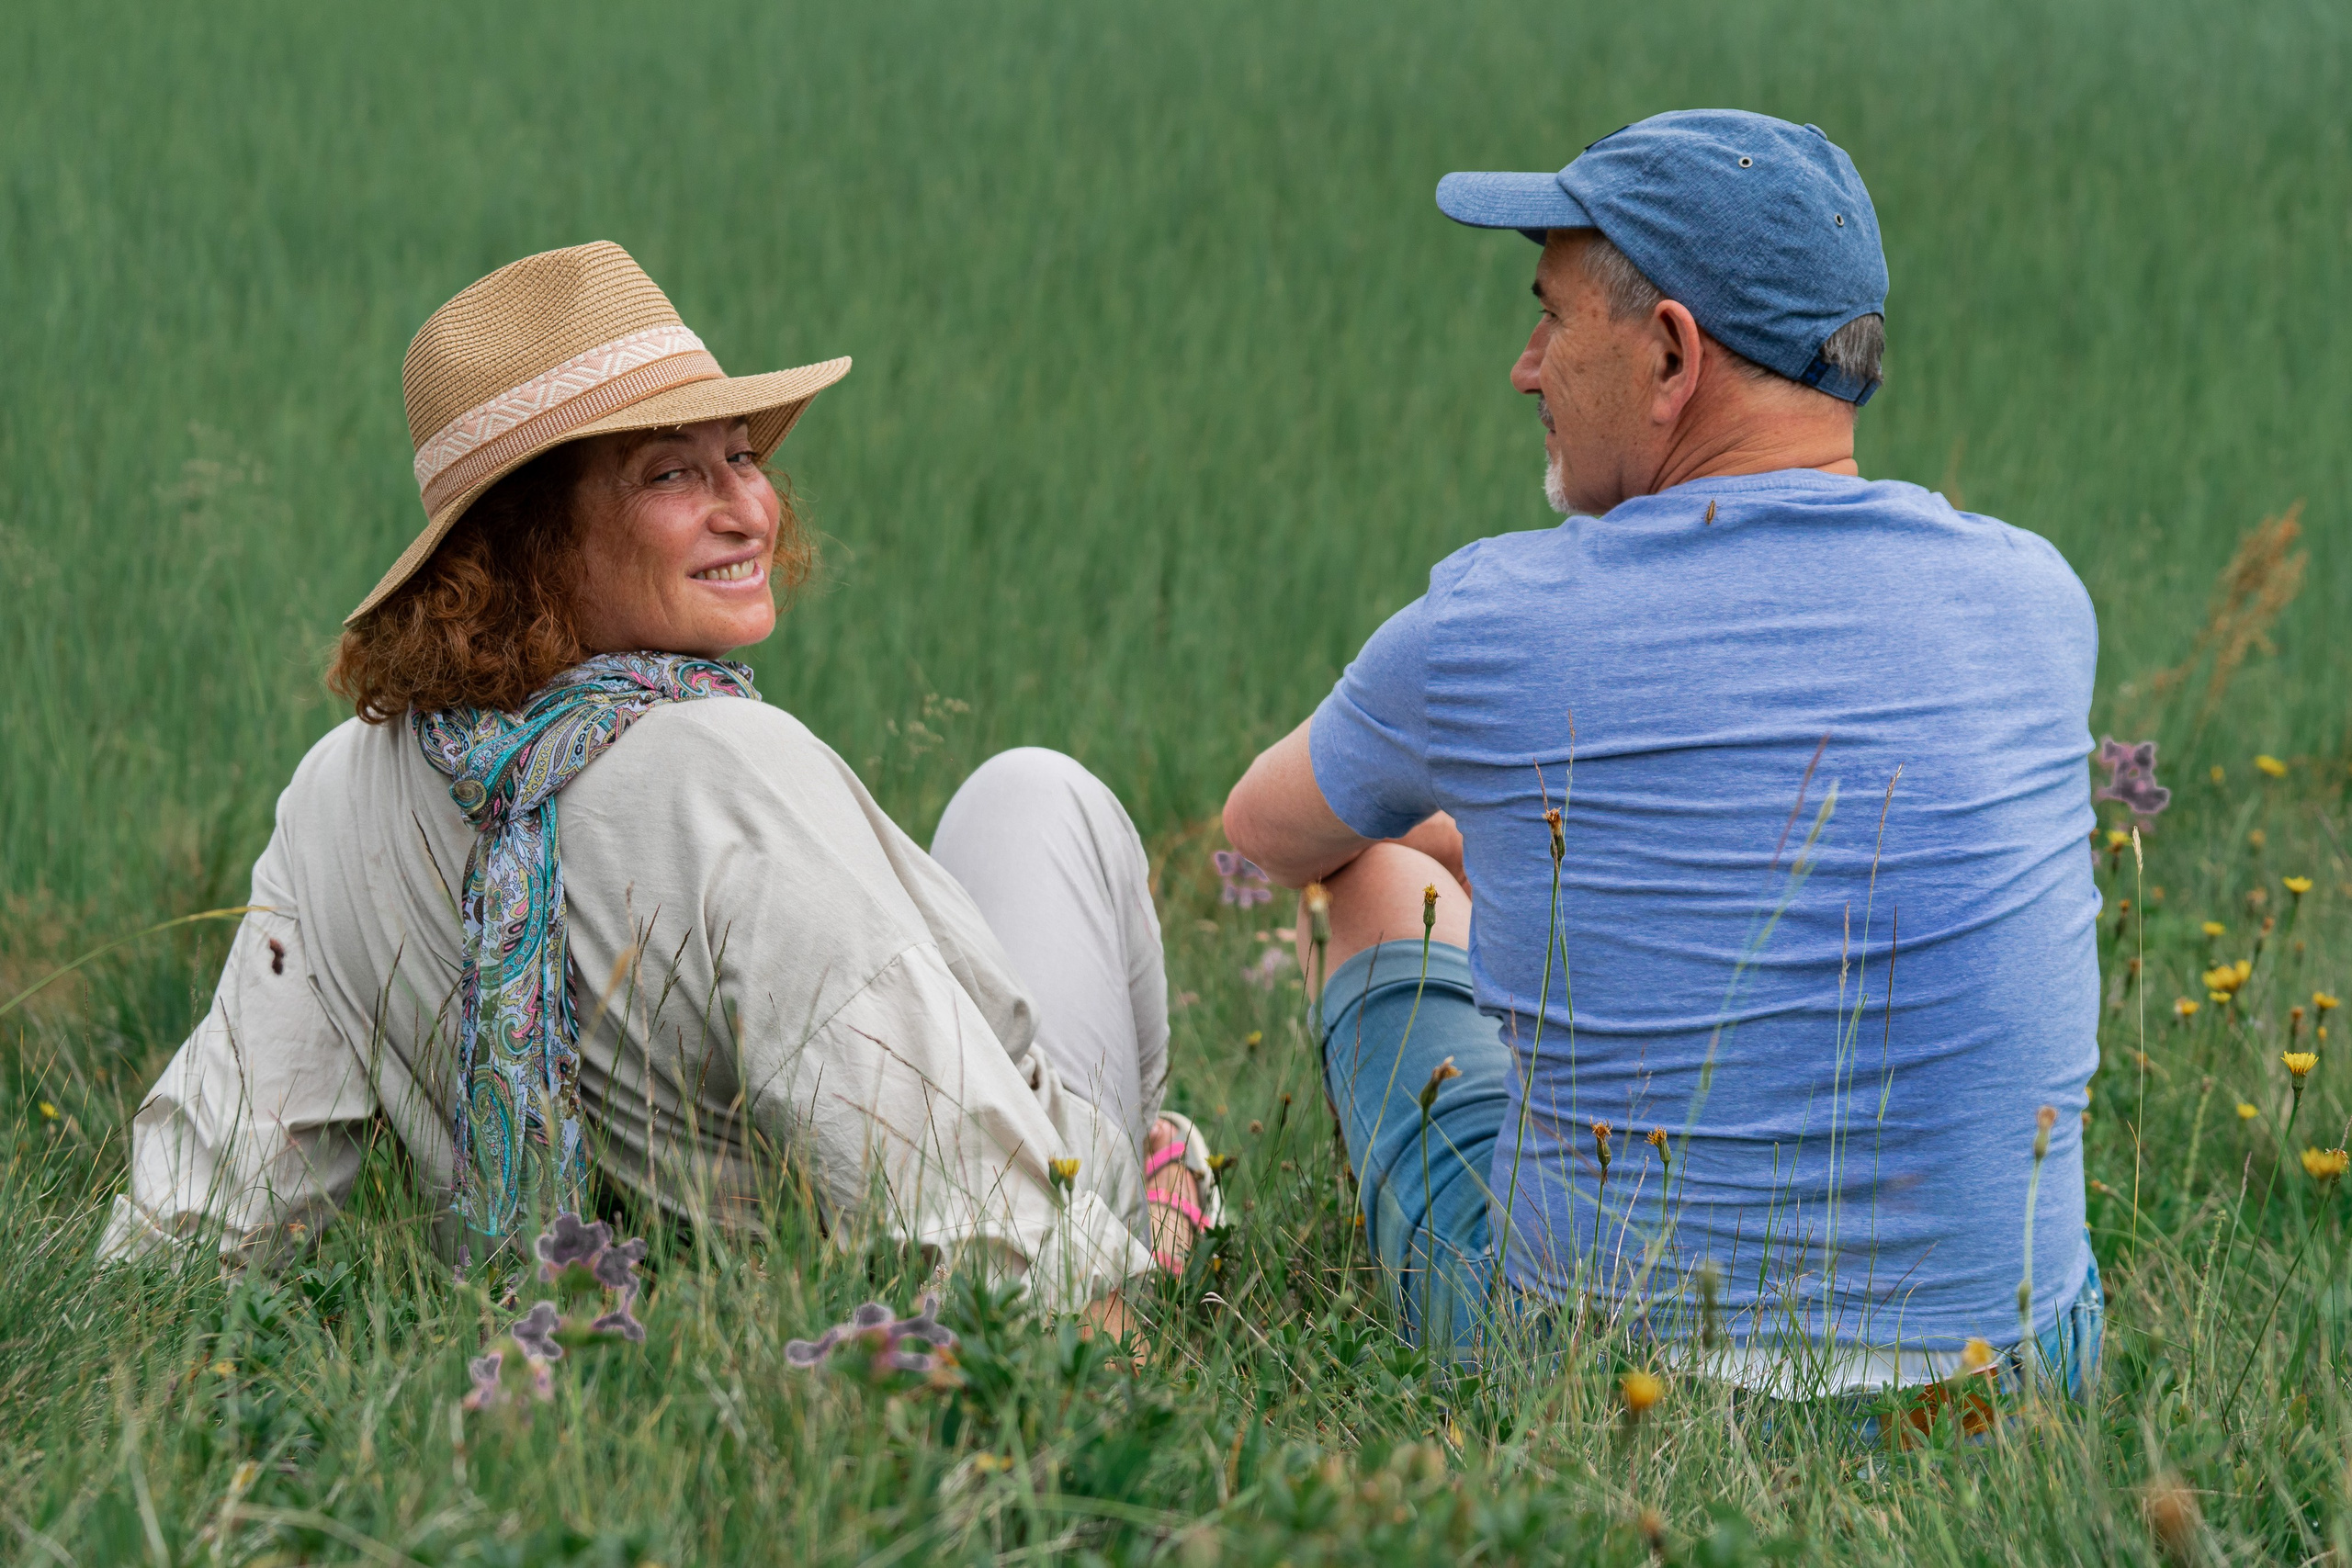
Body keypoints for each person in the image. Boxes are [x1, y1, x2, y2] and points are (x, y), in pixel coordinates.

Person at [101, 243, 1217, 1334]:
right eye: (672, 473)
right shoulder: (729, 775)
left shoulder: (341, 789)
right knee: (1035, 796)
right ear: (528, 540)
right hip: (977, 1229)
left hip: (589, 1332)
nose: (749, 510)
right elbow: (1000, 1241)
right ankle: (1162, 1183)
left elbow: (196, 1223)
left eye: (741, 456)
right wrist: (1109, 1316)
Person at [1224, 111, 2102, 1401]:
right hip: (2009, 1375)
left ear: (1673, 352)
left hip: (1608, 1372)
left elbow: (1266, 833)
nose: (1525, 368)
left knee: (1372, 881)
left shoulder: (1496, 625)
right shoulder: (2035, 595)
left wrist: (1449, 845)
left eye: (1552, 318)